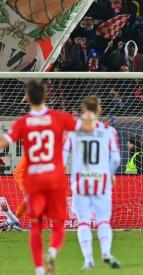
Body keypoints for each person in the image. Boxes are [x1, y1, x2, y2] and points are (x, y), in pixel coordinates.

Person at [0, 80, 96, 275]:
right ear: (46, 96)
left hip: (34, 178)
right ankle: (52, 252)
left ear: (27, 98)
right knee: (58, 224)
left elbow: (4, 142)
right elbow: (87, 128)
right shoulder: (59, 117)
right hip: (55, 177)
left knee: (36, 226)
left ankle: (39, 270)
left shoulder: (23, 122)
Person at [63, 97, 121, 270]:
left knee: (83, 222)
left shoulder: (74, 131)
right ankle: (106, 253)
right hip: (101, 181)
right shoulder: (108, 131)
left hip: (81, 181)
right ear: (98, 110)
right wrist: (110, 173)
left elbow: (63, 155)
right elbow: (116, 158)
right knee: (103, 221)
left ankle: (88, 259)